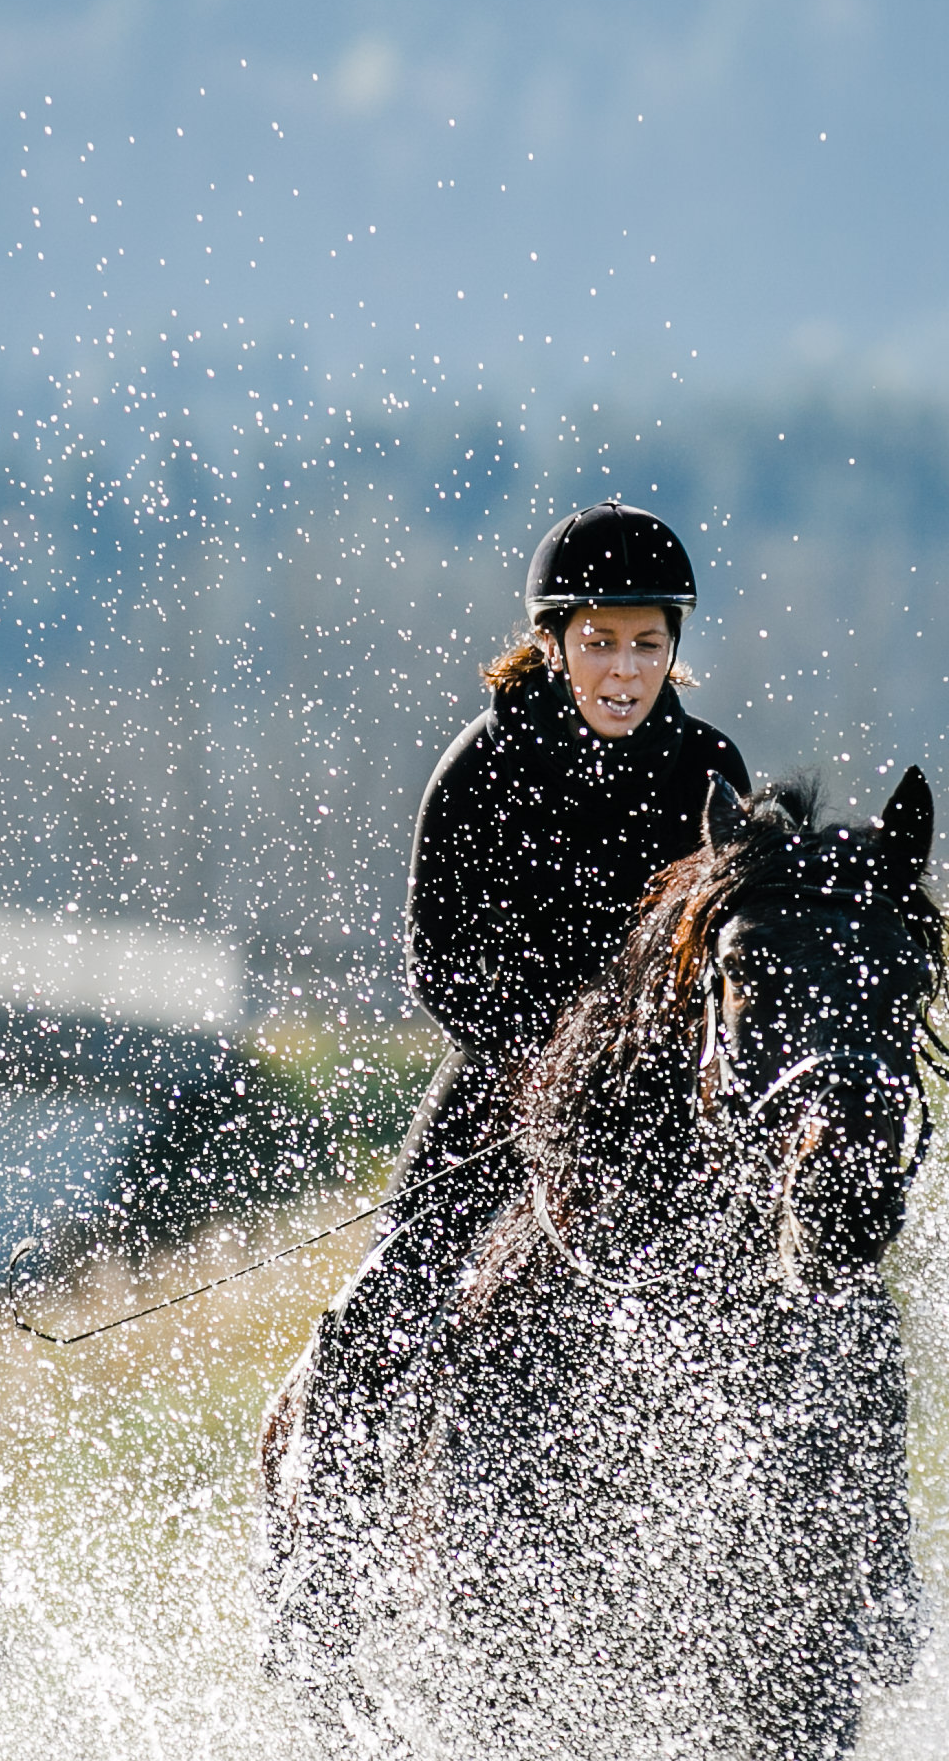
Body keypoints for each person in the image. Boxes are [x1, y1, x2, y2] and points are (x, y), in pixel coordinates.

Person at [272, 501, 751, 1660]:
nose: (626, 670)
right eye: (601, 643)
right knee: (388, 1304)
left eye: (648, 644)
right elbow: (437, 959)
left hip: (665, 1096)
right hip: (505, 1081)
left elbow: (735, 949)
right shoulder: (484, 767)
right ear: (552, 641)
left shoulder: (709, 768)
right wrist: (549, 1050)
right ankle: (325, 1584)